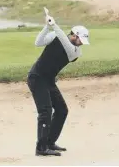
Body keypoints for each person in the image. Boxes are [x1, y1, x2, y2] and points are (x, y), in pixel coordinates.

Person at [27, 9, 90, 157]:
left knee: (62, 110)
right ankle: (41, 148)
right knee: (45, 111)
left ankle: (49, 142)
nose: (81, 43)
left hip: (48, 80)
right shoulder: (56, 35)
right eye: (80, 39)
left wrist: (54, 25)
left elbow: (65, 42)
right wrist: (47, 27)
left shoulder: (75, 52)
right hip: (37, 77)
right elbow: (38, 42)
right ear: (73, 35)